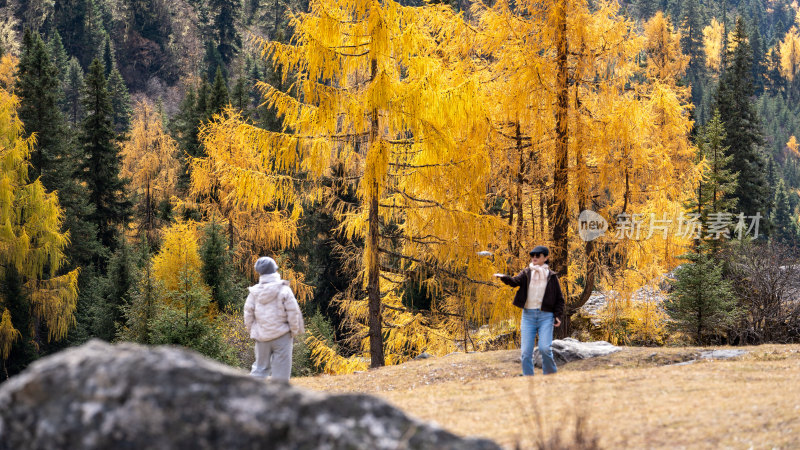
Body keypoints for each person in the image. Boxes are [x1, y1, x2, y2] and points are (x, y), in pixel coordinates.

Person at [495, 246, 564, 376]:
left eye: (538, 255)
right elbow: (515, 281)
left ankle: (550, 375)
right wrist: (504, 277)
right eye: (532, 255)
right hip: (528, 316)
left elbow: (559, 299)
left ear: (546, 257)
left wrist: (558, 316)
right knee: (525, 353)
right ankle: (528, 379)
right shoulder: (527, 273)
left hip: (546, 317)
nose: (534, 258)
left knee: (544, 349)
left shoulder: (552, 277)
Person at [244, 256, 304, 381]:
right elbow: (293, 312)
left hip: (262, 336)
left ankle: (252, 394)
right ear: (275, 270)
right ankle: (279, 398)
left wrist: (253, 331)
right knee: (281, 371)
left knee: (260, 368)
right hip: (282, 335)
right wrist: (293, 331)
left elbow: (248, 314)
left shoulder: (254, 292)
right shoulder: (284, 289)